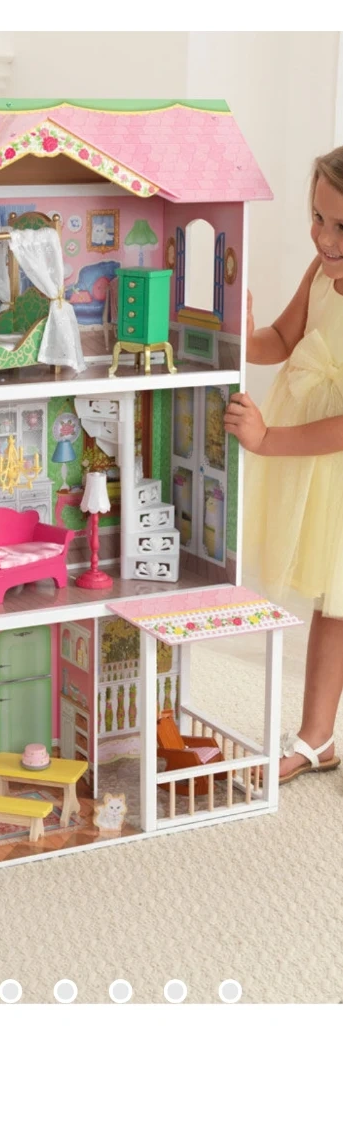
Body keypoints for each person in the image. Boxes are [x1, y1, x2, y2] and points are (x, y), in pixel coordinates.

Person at [224, 146, 343, 782]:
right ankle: (318, 738)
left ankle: (318, 736)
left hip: (327, 450)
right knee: (334, 600)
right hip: (318, 466)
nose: (324, 238)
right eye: (318, 217)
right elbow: (283, 338)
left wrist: (268, 440)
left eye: (341, 226)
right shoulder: (322, 271)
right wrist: (242, 335)